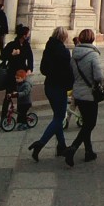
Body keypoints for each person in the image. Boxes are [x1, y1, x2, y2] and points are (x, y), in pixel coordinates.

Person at [29, 26, 73, 162]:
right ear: (64, 37)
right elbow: (68, 72)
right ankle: (40, 144)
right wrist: (70, 85)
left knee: (57, 117)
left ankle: (61, 146)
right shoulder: (64, 52)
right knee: (59, 118)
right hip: (59, 87)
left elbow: (43, 69)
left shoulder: (48, 49)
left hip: (49, 86)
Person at [65, 29, 104, 166]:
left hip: (78, 92)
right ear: (92, 39)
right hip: (89, 93)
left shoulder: (74, 54)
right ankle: (73, 148)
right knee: (90, 123)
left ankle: (89, 151)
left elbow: (72, 73)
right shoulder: (93, 55)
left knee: (86, 122)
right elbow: (98, 76)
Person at [0, 25, 33, 123]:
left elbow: (30, 58)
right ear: (24, 35)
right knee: (8, 95)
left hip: (22, 72)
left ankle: (21, 117)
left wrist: (30, 68)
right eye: (28, 34)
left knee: (22, 96)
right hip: (12, 73)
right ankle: (4, 117)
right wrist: (11, 54)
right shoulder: (12, 44)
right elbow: (2, 57)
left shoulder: (27, 45)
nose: (29, 35)